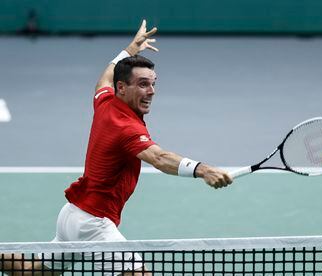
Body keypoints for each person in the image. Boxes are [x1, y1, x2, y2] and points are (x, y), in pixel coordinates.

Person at [1, 20, 232, 275]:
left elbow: (105, 77)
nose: (152, 91)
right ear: (122, 88)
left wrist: (130, 50)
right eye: (143, 84)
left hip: (72, 215)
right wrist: (203, 170)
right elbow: (159, 157)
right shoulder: (126, 128)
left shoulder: (105, 100)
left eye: (154, 83)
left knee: (33, 271)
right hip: (93, 223)